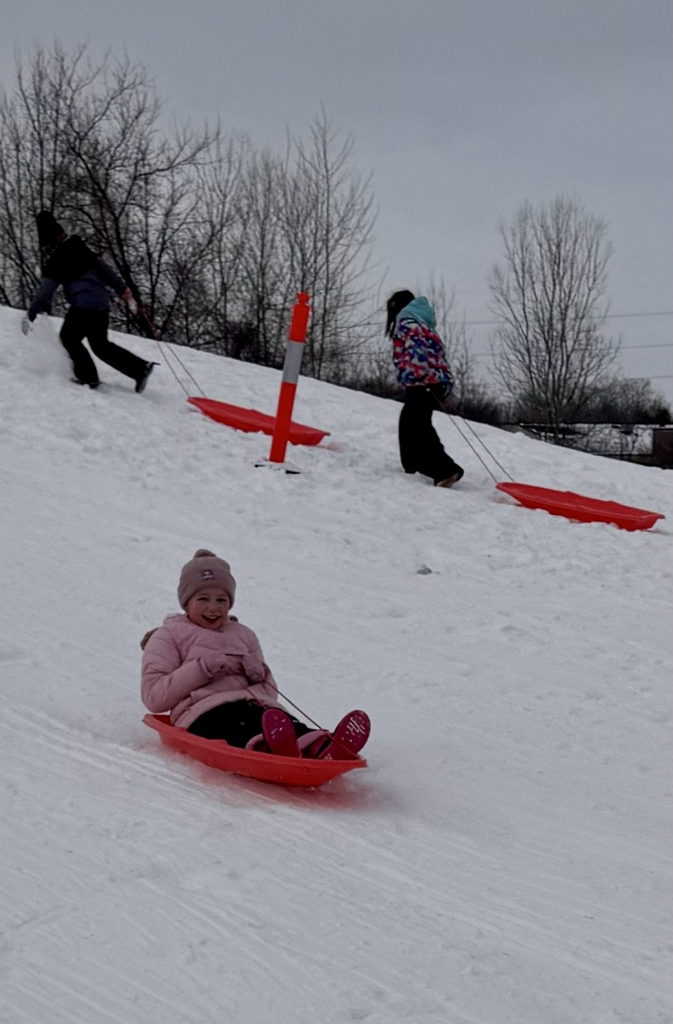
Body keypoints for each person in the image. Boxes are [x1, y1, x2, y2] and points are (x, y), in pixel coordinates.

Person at [140, 549, 370, 760]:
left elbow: (270, 693)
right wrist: (201, 668)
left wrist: (259, 674)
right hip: (201, 712)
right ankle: (269, 746)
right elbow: (155, 698)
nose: (213, 607)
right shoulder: (168, 636)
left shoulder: (243, 635)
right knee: (234, 725)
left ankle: (322, 747)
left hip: (254, 705)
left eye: (222, 600)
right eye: (202, 599)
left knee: (279, 719)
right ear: (186, 603)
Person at [21, 210, 156, 393]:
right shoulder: (80, 248)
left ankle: (88, 378)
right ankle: (140, 369)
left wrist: (30, 314)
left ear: (50, 241)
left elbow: (45, 292)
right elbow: (104, 268)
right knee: (100, 345)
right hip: (101, 304)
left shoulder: (57, 259)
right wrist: (121, 288)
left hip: (83, 306)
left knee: (68, 338)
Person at [386, 290, 464, 488]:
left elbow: (415, 349)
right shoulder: (422, 322)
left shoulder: (406, 321)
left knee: (416, 424)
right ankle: (415, 466)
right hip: (435, 380)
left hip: (423, 381)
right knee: (414, 423)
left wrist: (419, 374)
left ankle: (445, 469)